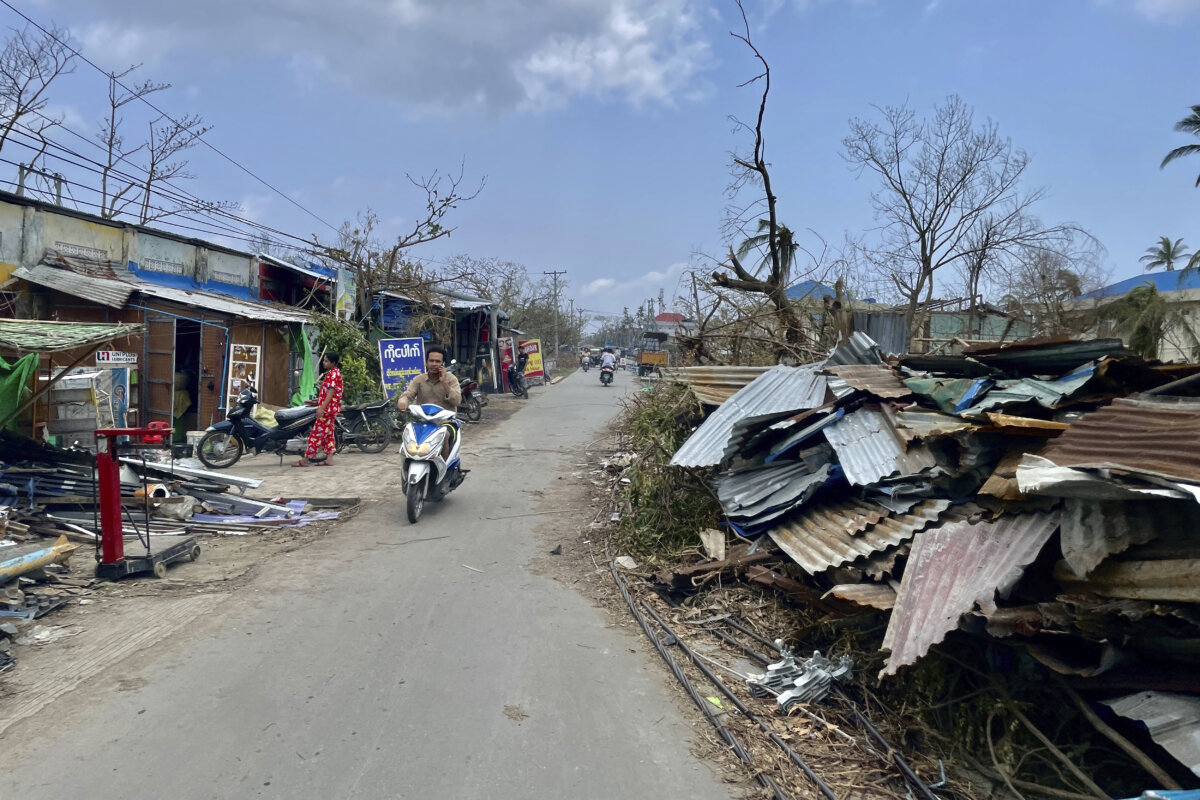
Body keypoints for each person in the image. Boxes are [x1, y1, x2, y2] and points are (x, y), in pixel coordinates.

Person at [397, 344, 461, 458]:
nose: (434, 364)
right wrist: (403, 401)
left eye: (438, 361)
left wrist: (444, 382)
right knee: (408, 437)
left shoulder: (451, 379)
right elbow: (409, 394)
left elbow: (457, 401)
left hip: (447, 422)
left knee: (444, 435)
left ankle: (443, 470)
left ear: (442, 364)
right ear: (426, 363)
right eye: (431, 361)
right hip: (423, 422)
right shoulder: (419, 380)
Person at [294, 352, 343, 467]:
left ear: (333, 363)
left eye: (326, 361)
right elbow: (328, 393)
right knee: (329, 434)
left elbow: (331, 392)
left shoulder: (333, 374)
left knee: (316, 434)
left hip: (327, 410)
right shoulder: (332, 373)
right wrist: (317, 400)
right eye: (324, 360)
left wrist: (321, 408)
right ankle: (329, 458)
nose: (323, 362)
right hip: (330, 409)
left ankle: (305, 460)